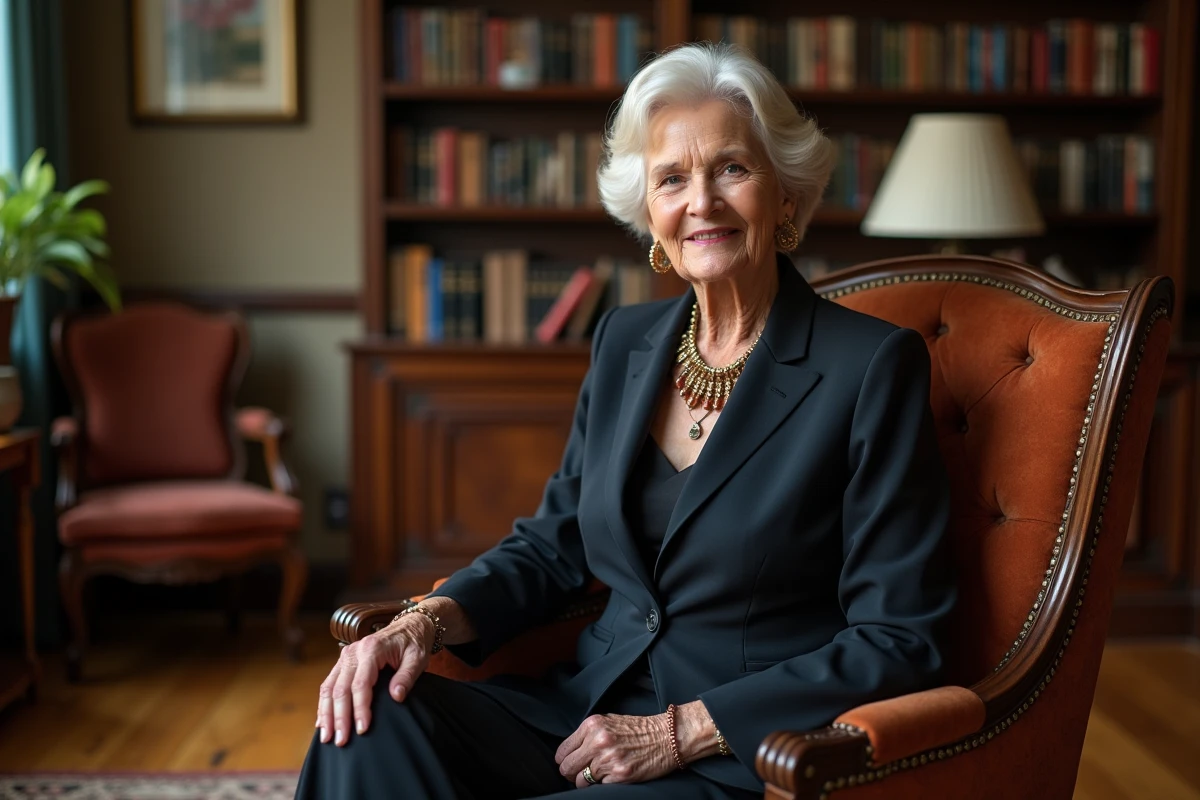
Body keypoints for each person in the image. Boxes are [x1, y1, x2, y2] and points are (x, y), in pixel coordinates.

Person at [298, 41, 955, 799]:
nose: (700, 201)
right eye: (672, 178)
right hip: (580, 707)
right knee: (369, 720)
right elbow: (555, 543)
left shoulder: (870, 367)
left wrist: (683, 731)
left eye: (732, 169)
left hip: (738, 748)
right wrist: (421, 623)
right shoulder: (624, 343)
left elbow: (902, 637)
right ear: (651, 214)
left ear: (784, 195)